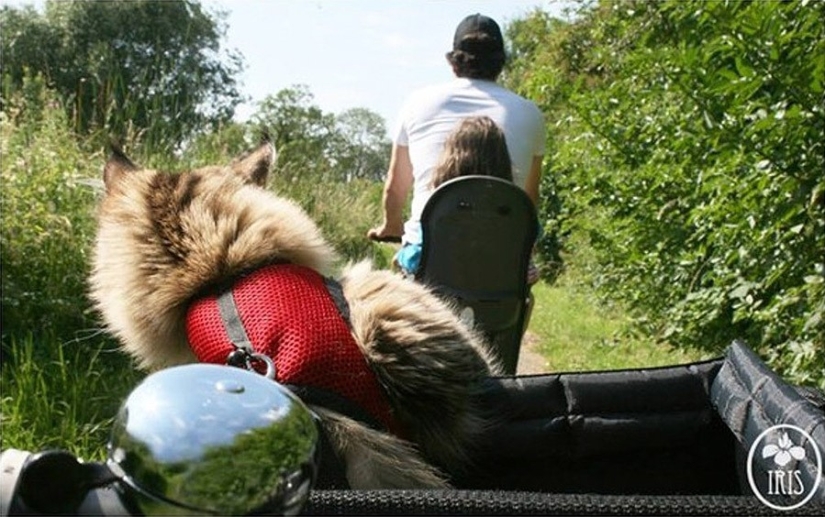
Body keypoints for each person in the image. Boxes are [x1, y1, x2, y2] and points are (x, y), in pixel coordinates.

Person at [368, 13, 546, 250]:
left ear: (453, 62)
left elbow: (395, 187)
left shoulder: (417, 103)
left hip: (429, 254)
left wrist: (391, 226)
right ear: (501, 62)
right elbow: (528, 201)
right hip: (502, 255)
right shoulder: (530, 113)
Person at [394, 115, 514, 275]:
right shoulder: (514, 209)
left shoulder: (440, 206)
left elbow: (416, 259)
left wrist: (401, 257)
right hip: (498, 289)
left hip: (438, 290)